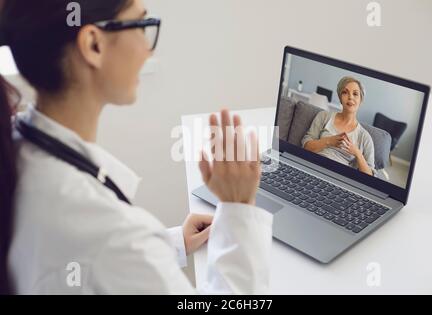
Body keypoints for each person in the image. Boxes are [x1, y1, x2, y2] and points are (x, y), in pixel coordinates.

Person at [0, 0, 272, 294]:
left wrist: (166, 244)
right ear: (93, 45)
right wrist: (238, 208)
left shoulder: (19, 144)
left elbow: (97, 263)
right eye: (142, 26)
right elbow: (105, 249)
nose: (149, 49)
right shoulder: (109, 234)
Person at [302, 76, 375, 176]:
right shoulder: (324, 116)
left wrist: (357, 153)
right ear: (340, 98)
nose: (350, 97)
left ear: (361, 100)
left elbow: (370, 176)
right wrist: (329, 141)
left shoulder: (365, 137)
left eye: (355, 94)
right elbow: (306, 146)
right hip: (313, 167)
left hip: (339, 177)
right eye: (345, 92)